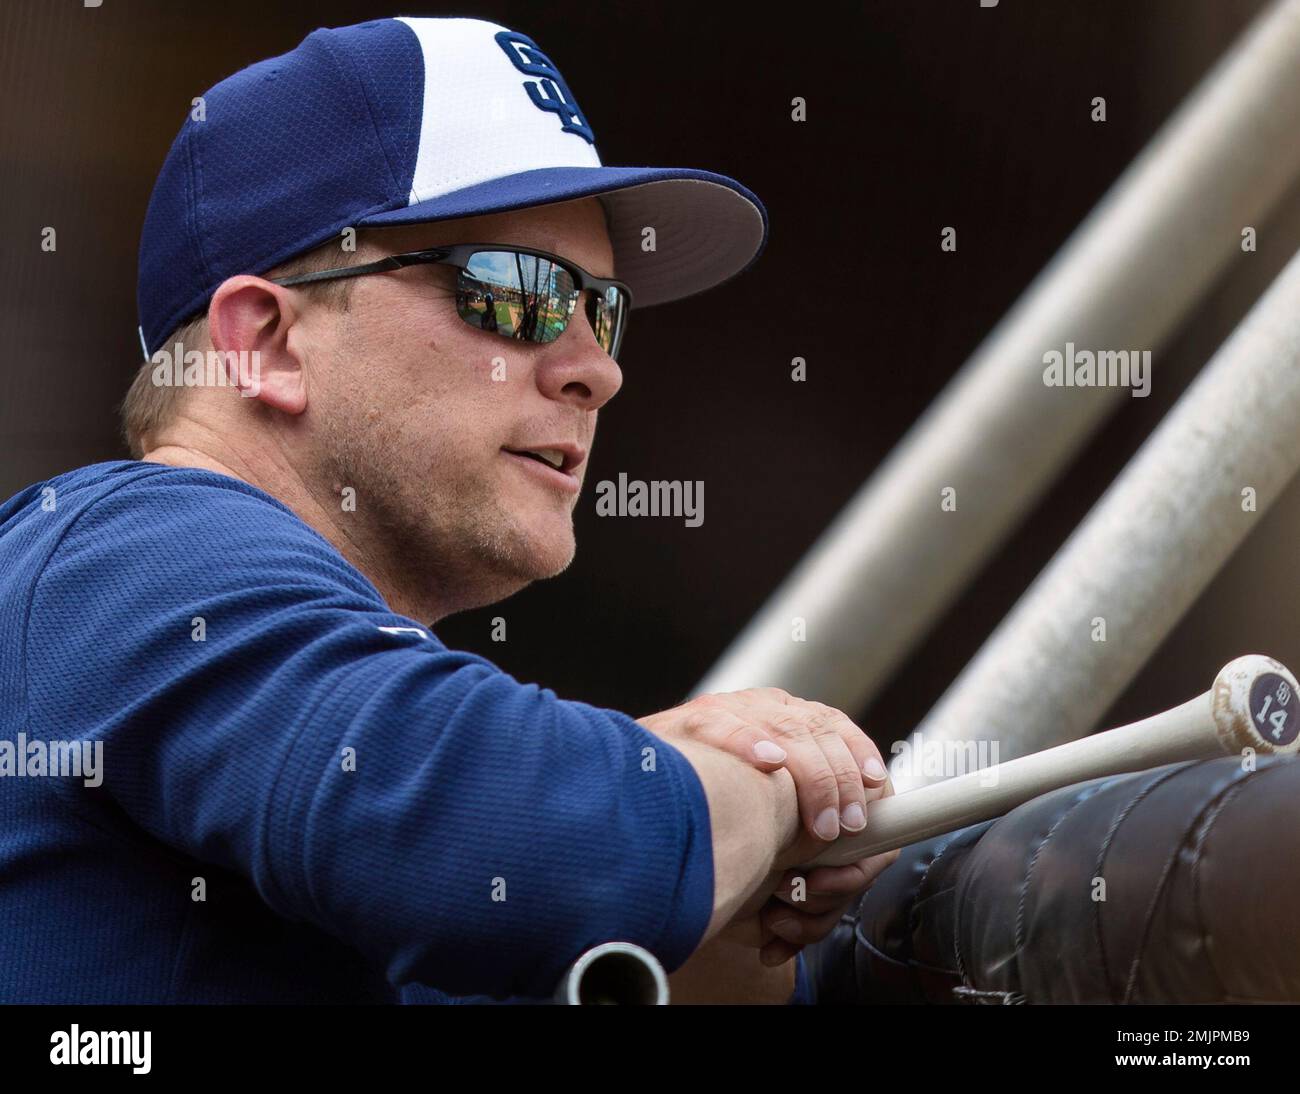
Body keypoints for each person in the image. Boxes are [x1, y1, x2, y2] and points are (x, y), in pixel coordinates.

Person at [0, 15, 895, 1005]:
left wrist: (725, 918)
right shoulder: (129, 550)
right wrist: (763, 785)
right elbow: (524, 848)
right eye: (517, 291)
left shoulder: (355, 793)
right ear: (263, 343)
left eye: (604, 309)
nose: (596, 368)